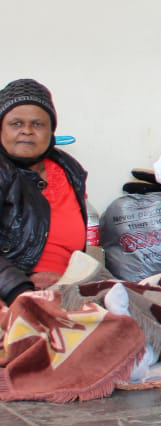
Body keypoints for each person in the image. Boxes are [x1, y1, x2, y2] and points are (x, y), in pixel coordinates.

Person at [0, 79, 88, 305]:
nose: (27, 131)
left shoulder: (69, 169)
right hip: (14, 295)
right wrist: (20, 289)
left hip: (68, 287)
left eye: (38, 124)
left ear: (51, 130)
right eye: (16, 123)